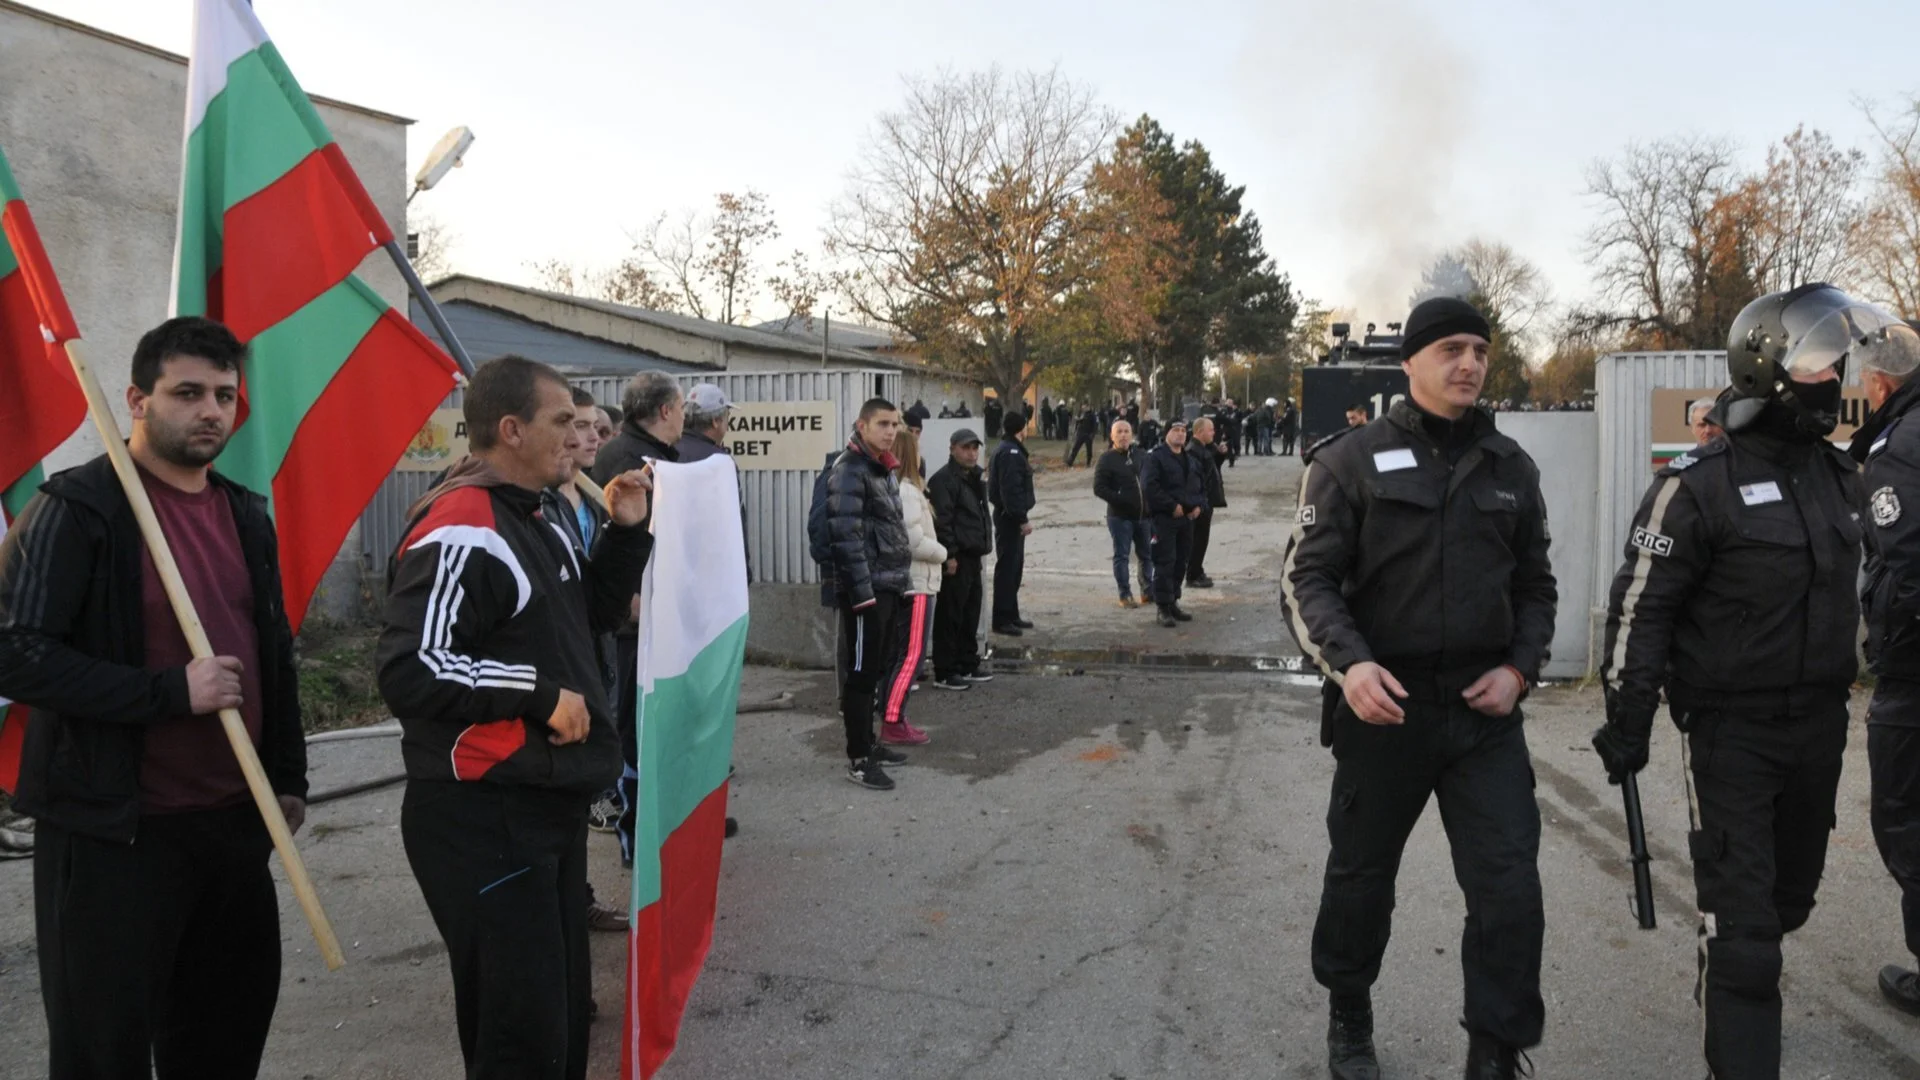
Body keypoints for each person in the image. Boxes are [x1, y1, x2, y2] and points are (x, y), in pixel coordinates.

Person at [0, 316, 308, 1080]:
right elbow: (15, 652)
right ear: (137, 399)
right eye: (188, 393)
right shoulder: (79, 509)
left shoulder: (245, 514)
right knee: (102, 1052)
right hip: (117, 837)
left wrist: (288, 776)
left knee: (223, 1043)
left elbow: (273, 655)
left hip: (233, 829)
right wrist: (167, 692)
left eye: (226, 396)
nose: (211, 411)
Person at [1593, 283, 1867, 1080]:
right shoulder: (1696, 484)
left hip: (1820, 728)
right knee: (1749, 937)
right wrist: (1629, 717)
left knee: (1787, 907)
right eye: (1817, 361)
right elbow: (1641, 608)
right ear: (1768, 368)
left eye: (1836, 361)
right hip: (1731, 734)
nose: (1835, 376)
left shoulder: (1840, 476)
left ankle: (1732, 953)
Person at [1282, 296, 1555, 1079]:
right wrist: (1352, 664)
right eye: (1450, 350)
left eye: (1479, 349)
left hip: (1483, 716)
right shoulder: (1348, 460)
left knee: (1509, 891)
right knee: (1360, 883)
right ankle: (1349, 1011)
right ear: (1410, 362)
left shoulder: (1512, 467)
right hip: (1386, 710)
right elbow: (1309, 581)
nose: (1469, 363)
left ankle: (1496, 1049)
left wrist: (1519, 670)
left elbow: (1537, 586)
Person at [379, 355, 654, 1080]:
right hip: (482, 818)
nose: (581, 436)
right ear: (510, 429)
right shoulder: (462, 525)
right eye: (563, 421)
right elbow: (412, 666)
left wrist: (625, 534)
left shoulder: (540, 512)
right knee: (519, 1039)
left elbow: (589, 616)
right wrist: (536, 692)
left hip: (544, 804)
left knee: (560, 1024)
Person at [1845, 311, 1920, 1017]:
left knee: (1904, 816)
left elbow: (1906, 566)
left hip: (1915, 674)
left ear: (1877, 382)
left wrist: (1890, 654)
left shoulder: (1898, 447)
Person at [590, 371, 683, 867]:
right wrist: (634, 596)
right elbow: (623, 539)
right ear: (666, 410)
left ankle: (661, 825)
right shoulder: (629, 460)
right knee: (635, 727)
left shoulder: (655, 455)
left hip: (654, 615)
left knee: (654, 725)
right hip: (635, 619)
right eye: (682, 406)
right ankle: (637, 838)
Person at [825, 399, 914, 790]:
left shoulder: (882, 467)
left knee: (876, 669)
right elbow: (846, 538)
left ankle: (869, 743)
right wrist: (863, 595)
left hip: (889, 585)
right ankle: (858, 759)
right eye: (882, 423)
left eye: (895, 424)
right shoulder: (850, 470)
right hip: (868, 592)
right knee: (861, 676)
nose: (891, 431)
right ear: (862, 425)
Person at [879, 429, 945, 741]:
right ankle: (893, 719)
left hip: (916, 581)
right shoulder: (906, 492)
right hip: (917, 583)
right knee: (911, 656)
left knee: (903, 654)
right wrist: (942, 553)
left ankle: (893, 715)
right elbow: (911, 540)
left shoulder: (906, 490)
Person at [928, 429, 994, 691]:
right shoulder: (944, 480)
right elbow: (942, 520)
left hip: (973, 555)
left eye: (975, 448)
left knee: (970, 612)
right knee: (951, 614)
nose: (972, 453)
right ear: (953, 448)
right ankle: (945, 670)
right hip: (956, 558)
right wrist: (950, 554)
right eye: (966, 448)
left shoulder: (975, 478)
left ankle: (967, 662)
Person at [1142, 419, 1204, 628]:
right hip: (1165, 519)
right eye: (1175, 430)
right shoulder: (1156, 457)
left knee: (1181, 562)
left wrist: (1198, 506)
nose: (1180, 434)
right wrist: (1171, 506)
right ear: (1167, 433)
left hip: (1186, 519)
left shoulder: (1190, 459)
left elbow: (1200, 486)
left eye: (1183, 431)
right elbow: (1150, 486)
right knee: (1165, 562)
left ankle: (1174, 601)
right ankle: (1163, 607)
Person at [1094, 419, 1154, 607]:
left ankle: (1147, 591)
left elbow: (1151, 480)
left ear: (1132, 434)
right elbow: (1099, 488)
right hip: (1120, 518)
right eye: (1119, 431)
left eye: (1126, 431)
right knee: (1122, 555)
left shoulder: (1141, 455)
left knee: (1146, 555)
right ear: (1112, 436)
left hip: (1143, 517)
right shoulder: (1106, 459)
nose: (1123, 435)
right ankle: (1124, 594)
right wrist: (1121, 499)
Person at [989, 411, 1036, 636]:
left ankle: (1011, 614)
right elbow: (1011, 490)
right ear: (1021, 428)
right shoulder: (1011, 453)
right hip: (1010, 519)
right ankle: (1002, 618)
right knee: (1007, 569)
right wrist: (1021, 519)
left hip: (1009, 516)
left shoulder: (1008, 449)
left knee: (1014, 568)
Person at [1185, 416, 1226, 590]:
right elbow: (1195, 480)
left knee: (1202, 539)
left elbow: (1213, 469)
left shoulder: (1205, 448)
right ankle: (1192, 575)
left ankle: (1197, 570)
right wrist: (1198, 503)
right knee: (1197, 540)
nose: (1213, 433)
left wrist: (1220, 455)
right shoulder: (1193, 450)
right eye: (1210, 430)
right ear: (1200, 432)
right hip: (1200, 503)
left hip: (1206, 501)